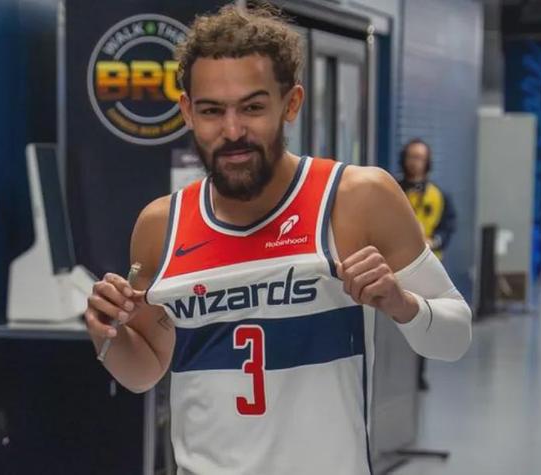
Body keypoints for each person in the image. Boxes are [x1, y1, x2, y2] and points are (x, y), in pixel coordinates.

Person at [85, 5, 472, 474]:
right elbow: (145, 370)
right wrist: (107, 334)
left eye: (252, 107)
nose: (232, 131)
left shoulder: (357, 198)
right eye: (212, 111)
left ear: (291, 103)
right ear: (187, 111)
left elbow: (455, 337)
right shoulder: (160, 225)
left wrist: (401, 303)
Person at [398, 138, 457, 391]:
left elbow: (448, 227)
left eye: (420, 158)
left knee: (422, 321)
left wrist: (434, 241)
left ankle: (418, 374)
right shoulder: (392, 190)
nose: (415, 163)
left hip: (427, 266)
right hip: (396, 265)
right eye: (411, 157)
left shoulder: (438, 195)